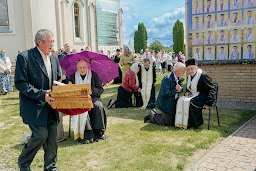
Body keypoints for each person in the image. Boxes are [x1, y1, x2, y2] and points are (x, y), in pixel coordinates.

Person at [15, 29, 61, 170]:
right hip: (33, 106)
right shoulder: (25, 57)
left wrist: (59, 91)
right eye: (50, 41)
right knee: (41, 135)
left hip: (51, 106)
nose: (53, 44)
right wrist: (42, 94)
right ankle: (23, 163)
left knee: (52, 138)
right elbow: (21, 83)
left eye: (53, 41)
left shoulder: (54, 57)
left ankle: (50, 167)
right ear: (39, 42)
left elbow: (57, 78)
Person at [69, 59, 107, 143]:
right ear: (77, 67)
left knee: (98, 106)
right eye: (80, 67)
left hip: (92, 98)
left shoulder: (94, 75)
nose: (82, 70)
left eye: (84, 67)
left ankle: (99, 132)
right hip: (78, 100)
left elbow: (100, 90)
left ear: (87, 67)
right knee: (81, 108)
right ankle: (86, 134)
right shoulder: (72, 77)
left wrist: (90, 90)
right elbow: (69, 91)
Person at [175, 59, 215, 129]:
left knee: (191, 103)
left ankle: (194, 124)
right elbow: (189, 88)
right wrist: (187, 92)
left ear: (196, 68)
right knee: (180, 100)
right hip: (193, 95)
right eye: (188, 69)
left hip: (203, 96)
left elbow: (212, 89)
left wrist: (208, 103)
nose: (190, 71)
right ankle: (181, 123)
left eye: (192, 69)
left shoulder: (203, 75)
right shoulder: (189, 76)